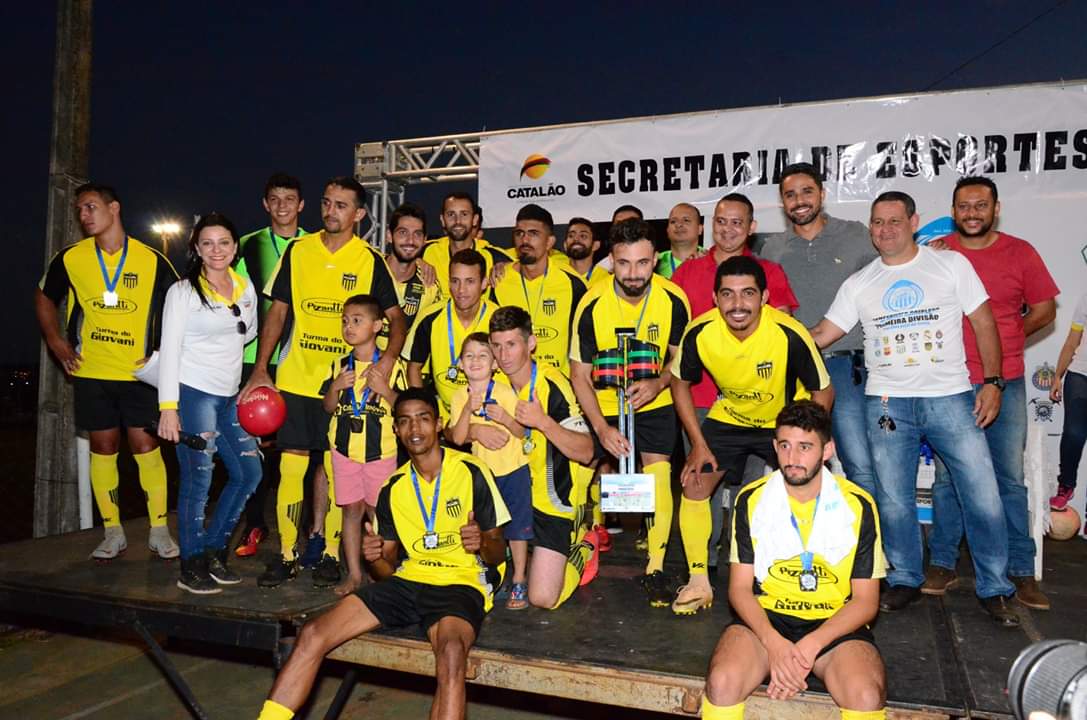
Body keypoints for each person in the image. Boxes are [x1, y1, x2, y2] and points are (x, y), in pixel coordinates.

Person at [809, 191, 1018, 626]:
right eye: (877, 222)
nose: (885, 230)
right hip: (887, 404)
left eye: (894, 221)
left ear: (914, 222)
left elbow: (984, 322)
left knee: (982, 494)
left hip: (951, 398)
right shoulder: (860, 283)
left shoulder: (950, 264)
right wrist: (771, 334)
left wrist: (993, 381)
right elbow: (823, 334)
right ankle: (905, 577)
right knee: (893, 498)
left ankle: (996, 588)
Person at [256, 388, 509, 720]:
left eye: (423, 419)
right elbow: (385, 571)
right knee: (313, 633)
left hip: (461, 582)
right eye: (404, 421)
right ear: (395, 430)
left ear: (438, 424)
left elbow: (497, 553)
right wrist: (375, 557)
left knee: (451, 654)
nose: (414, 429)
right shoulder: (393, 487)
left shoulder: (471, 471)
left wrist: (480, 543)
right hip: (410, 579)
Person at [240, 176, 407, 589]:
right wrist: (262, 368)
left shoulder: (369, 260)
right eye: (327, 203)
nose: (331, 211)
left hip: (347, 383)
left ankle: (331, 552)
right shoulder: (298, 250)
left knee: (335, 471)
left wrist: (386, 362)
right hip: (297, 378)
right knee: (291, 467)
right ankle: (287, 555)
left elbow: (396, 319)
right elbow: (278, 312)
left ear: (360, 214)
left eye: (342, 205)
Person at [701, 401, 887, 720]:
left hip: (832, 624)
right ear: (775, 447)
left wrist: (809, 646)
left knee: (866, 695)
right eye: (785, 446)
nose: (793, 458)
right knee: (722, 683)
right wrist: (775, 644)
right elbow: (740, 590)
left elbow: (866, 601)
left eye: (805, 447)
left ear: (827, 450)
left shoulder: (858, 504)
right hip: (767, 619)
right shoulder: (751, 499)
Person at [924, 176, 1058, 610]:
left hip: (1006, 380)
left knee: (1008, 480)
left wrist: (1007, 338)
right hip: (950, 382)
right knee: (947, 479)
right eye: (964, 206)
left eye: (981, 205)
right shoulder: (937, 253)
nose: (972, 213)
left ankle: (1021, 571)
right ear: (953, 211)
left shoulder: (1021, 252)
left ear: (996, 209)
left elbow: (1044, 310)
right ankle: (942, 563)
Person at [673, 256, 831, 615]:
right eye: (728, 294)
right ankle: (698, 581)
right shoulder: (699, 332)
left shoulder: (789, 333)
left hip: (783, 421)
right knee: (694, 482)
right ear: (715, 298)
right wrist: (698, 444)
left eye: (748, 293)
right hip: (731, 416)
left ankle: (806, 573)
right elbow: (679, 384)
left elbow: (823, 390)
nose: (738, 304)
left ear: (764, 297)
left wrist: (808, 442)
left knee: (805, 488)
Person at [36, 183, 179, 561]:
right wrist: (55, 340)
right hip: (92, 372)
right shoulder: (71, 258)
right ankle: (112, 532)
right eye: (80, 209)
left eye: (91, 207)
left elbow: (180, 306)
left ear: (114, 208)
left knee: (146, 448)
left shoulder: (152, 259)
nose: (84, 215)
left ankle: (159, 530)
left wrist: (163, 356)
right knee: (103, 449)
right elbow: (44, 296)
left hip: (139, 375)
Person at [672, 193, 799, 570]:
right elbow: (673, 336)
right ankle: (704, 562)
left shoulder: (768, 272)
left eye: (737, 222)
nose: (727, 229)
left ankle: (747, 559)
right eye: (721, 221)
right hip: (699, 397)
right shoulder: (688, 273)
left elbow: (783, 332)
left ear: (751, 227)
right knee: (702, 481)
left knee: (753, 487)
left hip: (756, 401)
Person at [570, 218, 691, 606]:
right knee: (581, 470)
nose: (634, 273)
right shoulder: (591, 302)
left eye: (642, 262)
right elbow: (578, 374)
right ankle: (580, 546)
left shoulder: (674, 299)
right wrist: (601, 428)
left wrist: (659, 383)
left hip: (653, 400)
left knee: (659, 473)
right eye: (624, 263)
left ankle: (655, 567)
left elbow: (680, 360)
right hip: (603, 404)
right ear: (611, 261)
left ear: (655, 259)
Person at [156, 213, 261, 593]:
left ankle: (214, 551)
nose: (217, 250)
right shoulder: (183, 292)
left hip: (229, 395)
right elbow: (169, 350)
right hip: (192, 393)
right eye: (207, 243)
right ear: (197, 249)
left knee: (249, 473)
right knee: (198, 479)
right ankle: (191, 564)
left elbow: (248, 333)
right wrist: (169, 408)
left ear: (235, 247)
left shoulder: (244, 286)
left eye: (224, 242)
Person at [760, 162, 879, 496]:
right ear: (782, 201)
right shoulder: (772, 248)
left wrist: (934, 250)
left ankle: (866, 529)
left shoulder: (856, 235)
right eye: (790, 194)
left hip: (846, 366)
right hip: (795, 370)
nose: (799, 200)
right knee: (795, 462)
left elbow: (892, 266)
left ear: (822, 194)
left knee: (859, 463)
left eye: (807, 192)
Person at [490, 306, 598, 608]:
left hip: (550, 501)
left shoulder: (552, 384)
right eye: (496, 346)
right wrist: (474, 430)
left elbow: (587, 451)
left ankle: (585, 545)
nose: (504, 355)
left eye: (511, 344)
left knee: (543, 598)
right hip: (508, 499)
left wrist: (543, 422)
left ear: (531, 343)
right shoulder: (491, 383)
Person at [234, 172, 307, 558]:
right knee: (252, 449)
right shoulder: (247, 245)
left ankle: (305, 528)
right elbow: (233, 299)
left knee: (300, 450)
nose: (282, 206)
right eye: (275, 199)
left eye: (289, 199)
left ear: (301, 205)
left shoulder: (314, 246)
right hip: (255, 361)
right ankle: (255, 524)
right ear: (265, 204)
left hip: (300, 362)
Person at [321, 294, 404, 596]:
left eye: (357, 321)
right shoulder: (339, 365)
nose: (349, 327)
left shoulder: (392, 367)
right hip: (344, 453)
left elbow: (405, 408)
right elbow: (328, 407)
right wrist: (335, 388)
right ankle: (354, 575)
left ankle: (381, 573)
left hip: (381, 454)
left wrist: (386, 390)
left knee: (378, 514)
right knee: (350, 511)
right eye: (345, 321)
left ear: (378, 326)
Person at [448, 332, 532, 608]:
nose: (475, 361)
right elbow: (458, 438)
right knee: (488, 528)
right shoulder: (459, 396)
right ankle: (494, 575)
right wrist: (466, 411)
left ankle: (519, 578)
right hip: (483, 475)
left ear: (495, 363)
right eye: (469, 356)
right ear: (460, 364)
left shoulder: (506, 392)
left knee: (517, 529)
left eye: (483, 355)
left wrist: (505, 418)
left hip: (514, 470)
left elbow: (523, 432)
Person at [489, 204, 587, 375]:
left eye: (533, 234)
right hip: (509, 384)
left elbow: (585, 343)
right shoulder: (498, 281)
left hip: (558, 384)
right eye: (519, 233)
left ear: (549, 242)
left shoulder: (573, 284)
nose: (525, 240)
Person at [404, 249, 493, 415]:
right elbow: (414, 368)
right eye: (455, 281)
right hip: (444, 414)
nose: (461, 290)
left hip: (488, 415)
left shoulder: (497, 320)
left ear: (484, 283)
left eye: (470, 281)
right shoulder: (430, 317)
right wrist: (425, 412)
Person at [419, 192, 512, 297]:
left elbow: (523, 269)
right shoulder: (426, 250)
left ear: (475, 219)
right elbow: (404, 255)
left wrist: (507, 267)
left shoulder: (493, 256)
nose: (457, 221)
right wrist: (415, 261)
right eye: (451, 214)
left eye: (464, 214)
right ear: (442, 220)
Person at [1049, 290, 1087, 519]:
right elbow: (1073, 339)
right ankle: (1066, 485)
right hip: (1080, 375)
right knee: (1074, 433)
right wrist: (1057, 376)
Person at [384, 202, 441, 335]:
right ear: (389, 236)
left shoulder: (430, 286)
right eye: (403, 232)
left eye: (417, 234)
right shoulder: (371, 269)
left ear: (425, 240)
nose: (410, 240)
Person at [657, 202, 705, 280]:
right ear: (667, 230)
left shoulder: (712, 260)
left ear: (700, 229)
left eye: (686, 220)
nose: (678, 225)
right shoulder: (655, 262)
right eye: (673, 221)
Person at [562, 216, 610, 290]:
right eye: (571, 236)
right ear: (565, 245)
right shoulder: (556, 274)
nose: (576, 239)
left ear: (595, 245)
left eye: (583, 236)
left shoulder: (605, 279)